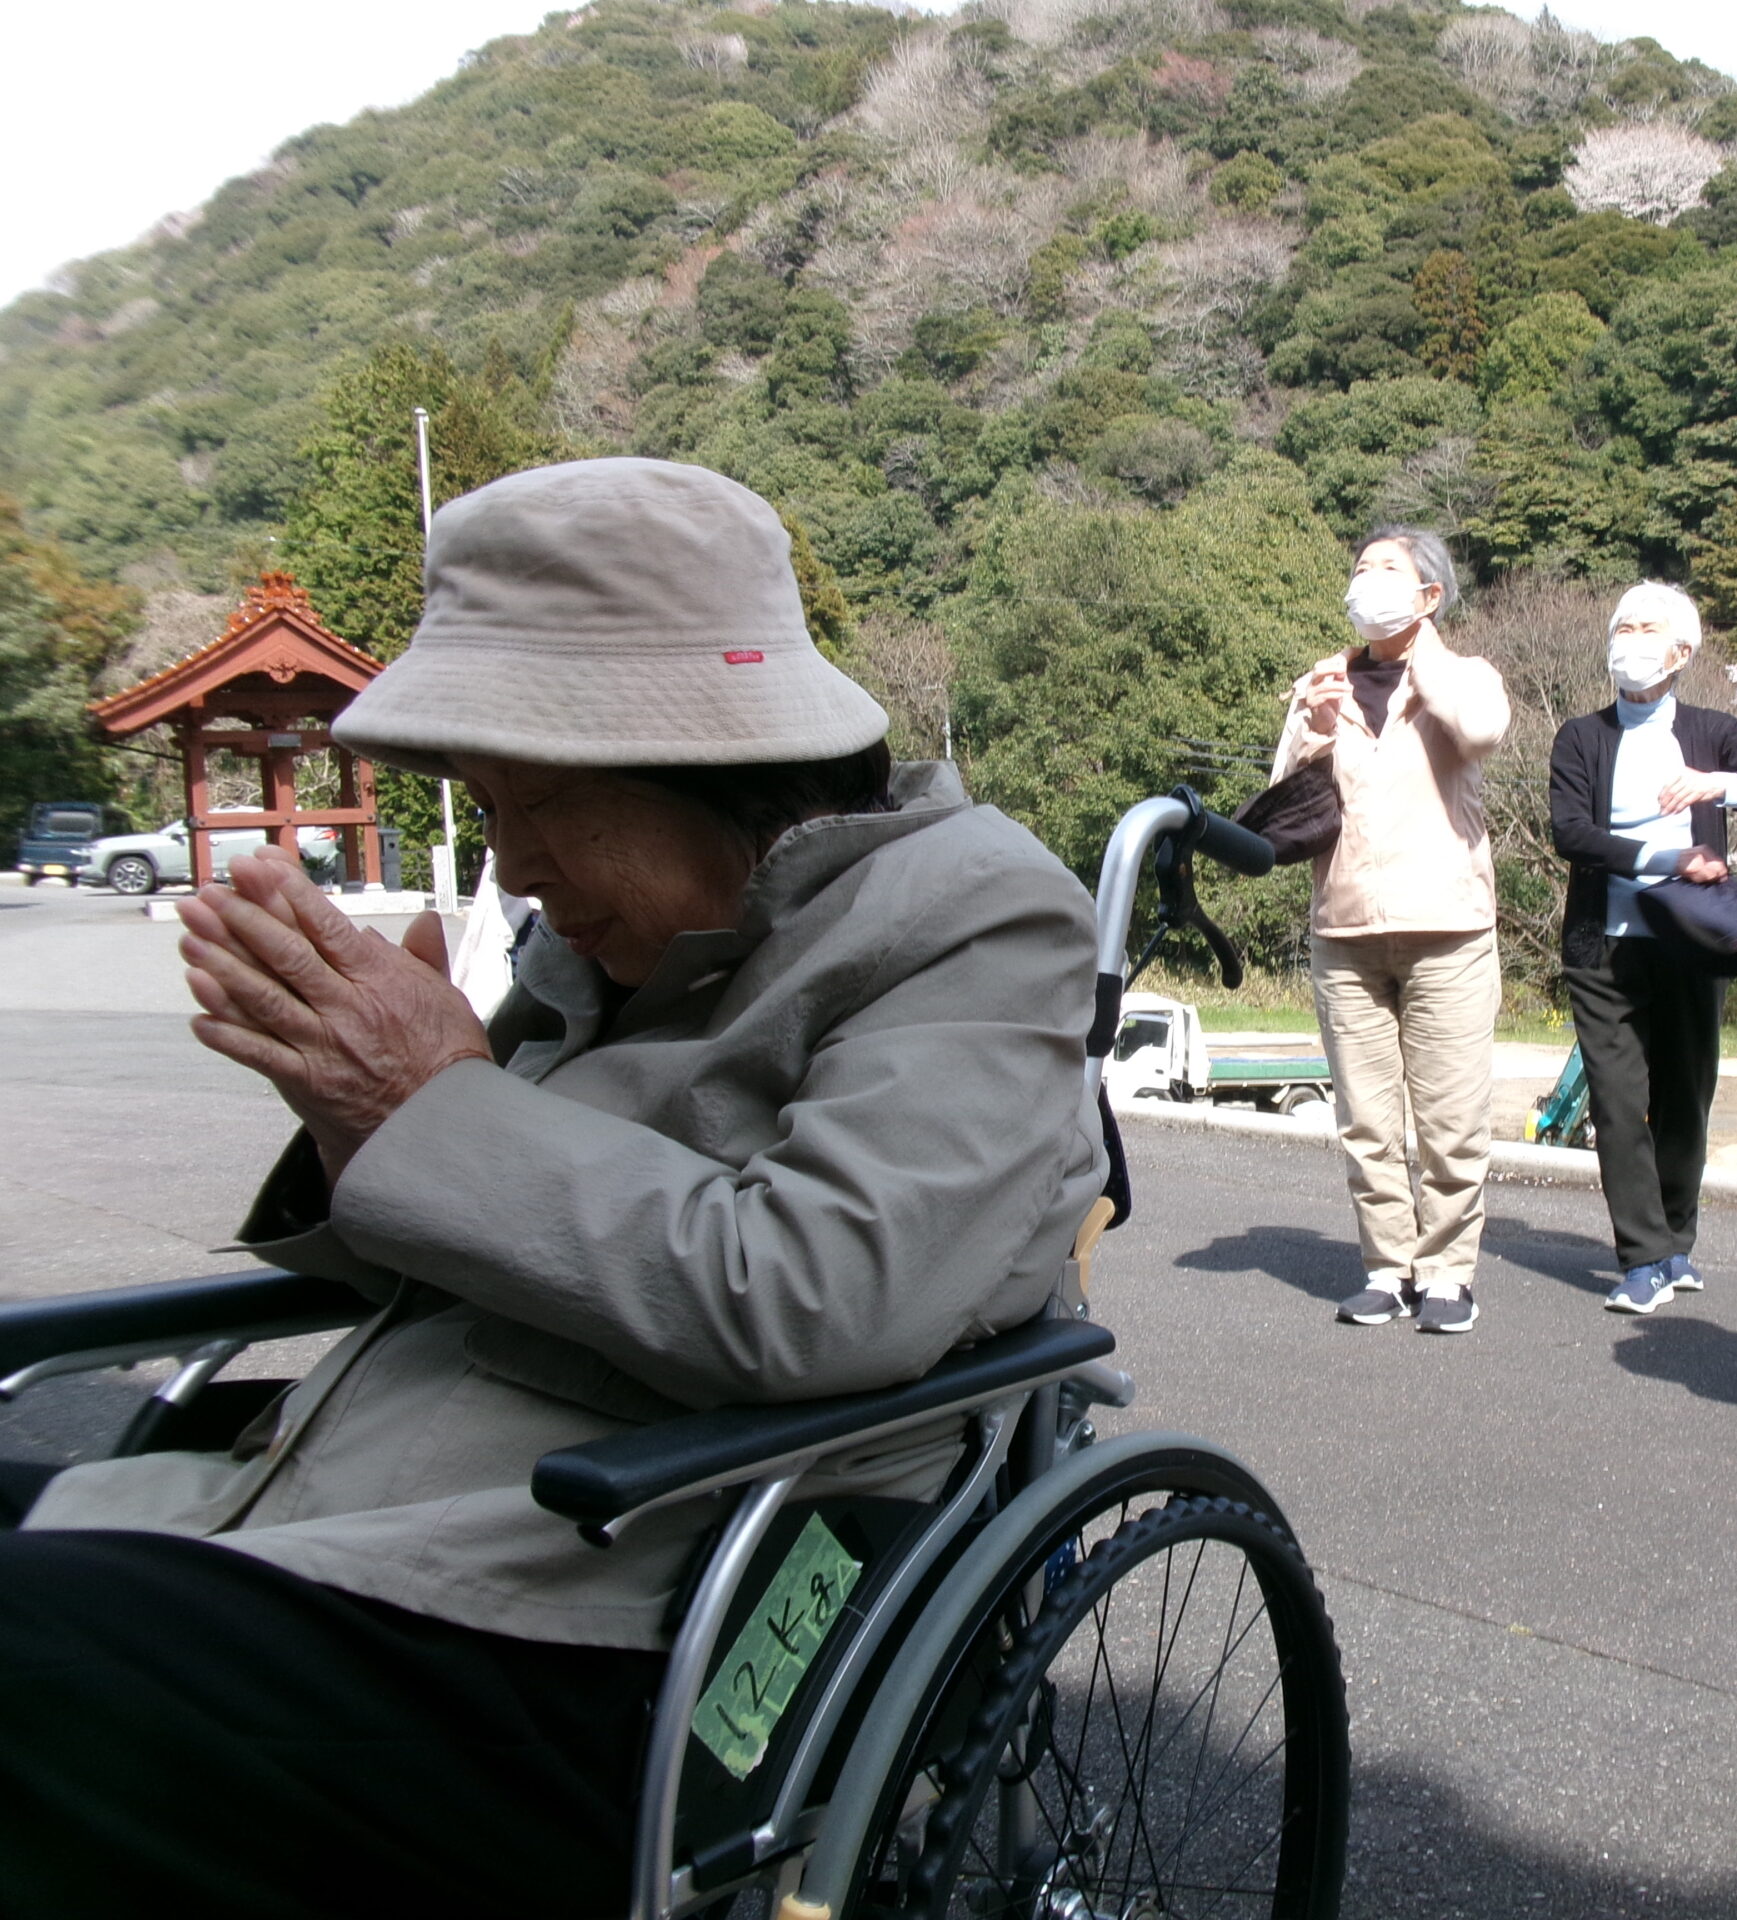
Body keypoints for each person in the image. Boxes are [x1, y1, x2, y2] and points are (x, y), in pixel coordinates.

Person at [0, 457, 1110, 1913]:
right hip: (350, 1513)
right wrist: (355, 1118)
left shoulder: (975, 913)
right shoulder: (608, 941)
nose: (514, 865)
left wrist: (427, 1106)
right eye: (484, 804)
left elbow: (825, 1296)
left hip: (609, 1610)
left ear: (716, 765)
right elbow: (472, 1231)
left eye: (538, 801)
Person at [1272, 526, 1510, 1334]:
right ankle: (1386, 1266)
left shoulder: (1464, 675)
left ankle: (1447, 1272)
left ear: (1429, 594)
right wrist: (1313, 721)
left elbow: (1479, 730)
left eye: (1388, 569)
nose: (1367, 580)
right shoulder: (1324, 683)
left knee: (1451, 1117)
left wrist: (1423, 655)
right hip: (1344, 929)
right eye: (1361, 567)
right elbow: (1281, 799)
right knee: (1367, 1119)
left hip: (1449, 928)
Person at [1548, 582, 1737, 1312]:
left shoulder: (1714, 731)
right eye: (1622, 627)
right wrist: (1667, 860)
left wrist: (1718, 785)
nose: (1630, 640)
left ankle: (1676, 1243)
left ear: (1682, 651)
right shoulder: (1581, 737)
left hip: (1690, 943)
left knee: (1686, 1096)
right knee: (1618, 1104)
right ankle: (1643, 1257)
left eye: (1647, 629)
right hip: (1604, 946)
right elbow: (1572, 834)